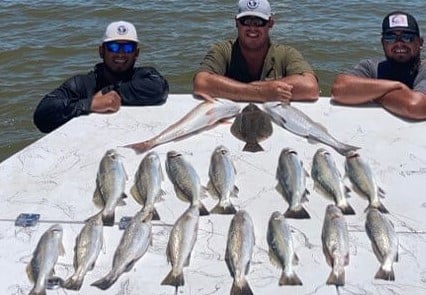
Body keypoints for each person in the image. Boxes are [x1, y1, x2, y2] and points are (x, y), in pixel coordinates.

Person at [34, 21, 169, 133]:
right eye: (113, 47)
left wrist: (112, 92)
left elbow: (160, 88)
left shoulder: (146, 75)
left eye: (128, 48)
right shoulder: (81, 84)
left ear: (136, 53)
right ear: (101, 51)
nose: (121, 54)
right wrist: (90, 104)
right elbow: (43, 115)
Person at [193, 0, 319, 103]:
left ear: (270, 23)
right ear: (236, 23)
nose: (252, 28)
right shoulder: (222, 51)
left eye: (259, 22)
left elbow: (310, 87)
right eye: (246, 21)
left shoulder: (286, 53)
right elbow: (201, 82)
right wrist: (261, 92)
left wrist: (241, 90)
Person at [331, 11, 425, 120]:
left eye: (407, 37)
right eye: (390, 37)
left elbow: (416, 107)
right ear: (383, 43)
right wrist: (397, 86)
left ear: (420, 43)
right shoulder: (371, 67)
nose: (399, 43)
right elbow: (339, 89)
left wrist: (372, 94)